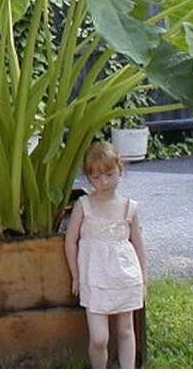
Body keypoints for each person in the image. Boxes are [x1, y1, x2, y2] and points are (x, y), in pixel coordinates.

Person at [64, 141, 147, 368]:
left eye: (110, 174)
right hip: (94, 278)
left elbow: (138, 245)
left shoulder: (129, 207)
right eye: (96, 177)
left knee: (126, 329)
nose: (104, 182)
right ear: (88, 178)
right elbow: (71, 241)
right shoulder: (83, 205)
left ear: (120, 169)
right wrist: (75, 275)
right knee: (99, 338)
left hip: (125, 277)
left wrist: (143, 279)